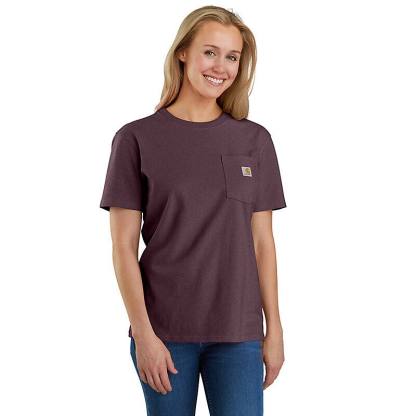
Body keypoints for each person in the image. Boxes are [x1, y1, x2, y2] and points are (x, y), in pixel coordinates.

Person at [99, 5, 287, 415]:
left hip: (238, 333)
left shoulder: (254, 141)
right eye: (210, 52)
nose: (221, 67)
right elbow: (123, 247)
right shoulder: (136, 139)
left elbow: (262, 244)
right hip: (164, 332)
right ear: (183, 52)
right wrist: (144, 334)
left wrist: (274, 329)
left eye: (232, 57)